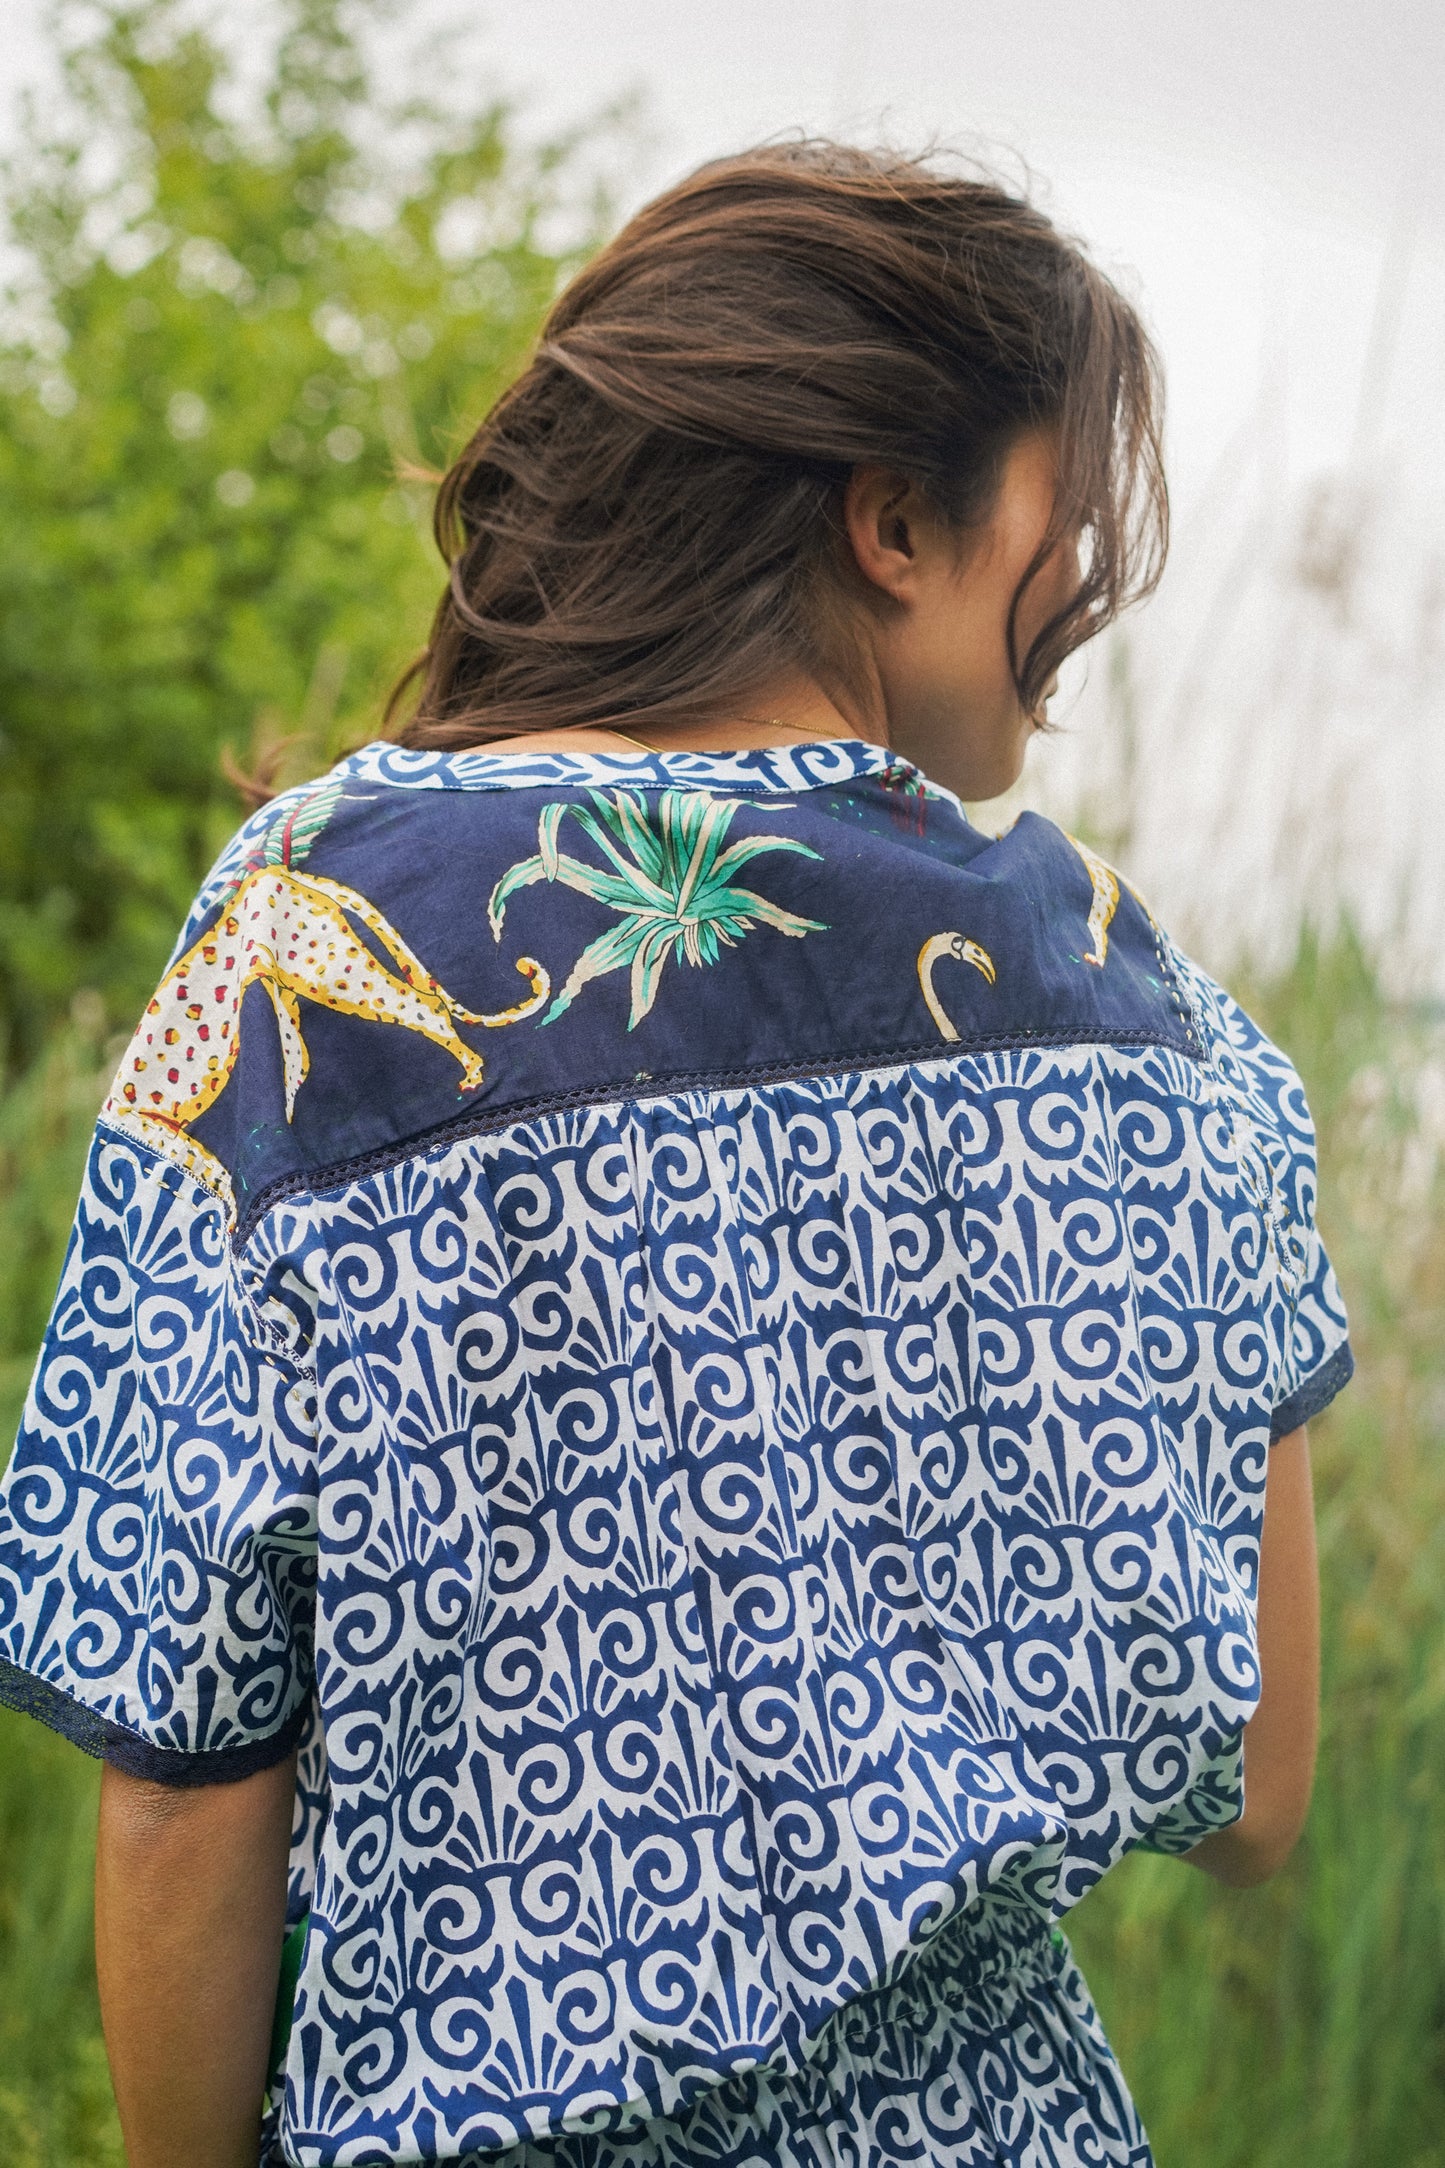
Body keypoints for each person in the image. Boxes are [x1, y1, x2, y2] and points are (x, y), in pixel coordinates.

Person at [0, 142, 1349, 2168]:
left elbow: (184, 1773)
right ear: (893, 522)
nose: (1081, 580)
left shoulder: (312, 929)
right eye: (1057, 508)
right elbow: (1255, 1794)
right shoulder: (1143, 1007)